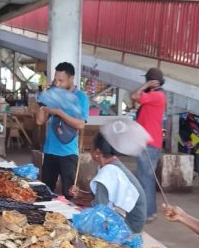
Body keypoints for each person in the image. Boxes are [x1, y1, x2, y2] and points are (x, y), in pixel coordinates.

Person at [68, 128, 147, 234]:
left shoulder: (107, 172)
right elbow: (99, 196)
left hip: (130, 225)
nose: (89, 149)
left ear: (97, 151)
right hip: (130, 218)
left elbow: (100, 208)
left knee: (76, 224)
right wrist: (80, 193)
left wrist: (74, 203)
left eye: (91, 146)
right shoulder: (110, 164)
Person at [36, 62, 89, 199]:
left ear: (71, 79)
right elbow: (39, 121)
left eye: (61, 80)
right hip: (49, 151)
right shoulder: (53, 94)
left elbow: (80, 124)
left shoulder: (80, 97)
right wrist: (43, 102)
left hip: (68, 153)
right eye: (55, 79)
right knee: (45, 192)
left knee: (69, 194)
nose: (57, 83)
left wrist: (59, 112)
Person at [131, 67, 167, 221]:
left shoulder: (157, 95)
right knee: (144, 177)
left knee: (145, 178)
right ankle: (148, 211)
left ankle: (148, 212)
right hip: (146, 141)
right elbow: (136, 103)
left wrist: (145, 86)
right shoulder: (154, 95)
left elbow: (133, 95)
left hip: (149, 142)